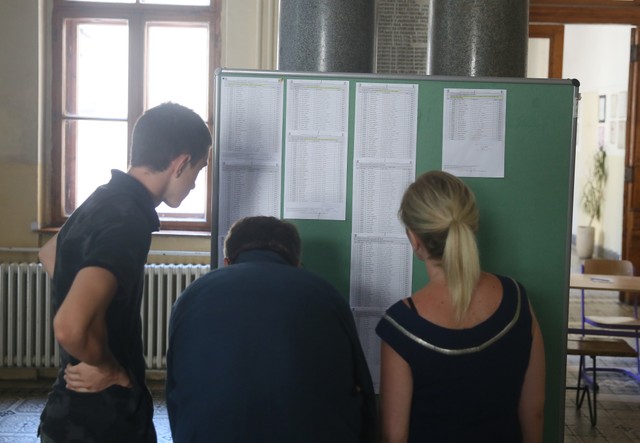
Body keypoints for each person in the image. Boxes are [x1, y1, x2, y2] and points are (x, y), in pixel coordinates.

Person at [37, 102, 212, 443]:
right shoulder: (128, 219)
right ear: (180, 163)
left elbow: (50, 253)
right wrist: (107, 367)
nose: (194, 184)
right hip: (102, 423)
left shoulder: (105, 196)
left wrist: (95, 316)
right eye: (199, 169)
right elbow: (70, 326)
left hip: (68, 412)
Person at [166, 216, 377, 443]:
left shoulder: (192, 295)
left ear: (227, 262)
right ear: (297, 263)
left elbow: (175, 388)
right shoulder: (327, 294)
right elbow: (361, 386)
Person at [375, 171, 545, 443]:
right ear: (472, 225)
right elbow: (534, 412)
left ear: (414, 240)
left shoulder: (401, 325)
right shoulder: (517, 300)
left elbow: (394, 437)